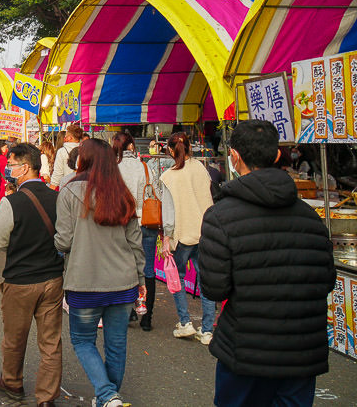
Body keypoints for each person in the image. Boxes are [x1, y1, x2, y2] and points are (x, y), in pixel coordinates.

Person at [199, 120, 336, 407]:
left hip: (245, 351)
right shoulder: (311, 218)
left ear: (234, 157)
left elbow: (214, 288)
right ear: (275, 156)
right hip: (302, 350)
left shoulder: (220, 217)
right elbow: (326, 281)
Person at [54, 139, 143, 407]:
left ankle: (107, 395)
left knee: (83, 341)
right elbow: (135, 243)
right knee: (116, 344)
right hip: (123, 282)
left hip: (84, 282)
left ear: (84, 160)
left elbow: (63, 241)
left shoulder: (69, 192)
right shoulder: (122, 194)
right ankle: (109, 396)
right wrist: (141, 279)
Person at [0, 143, 64, 406]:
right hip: (52, 279)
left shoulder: (11, 202)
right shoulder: (56, 197)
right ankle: (47, 397)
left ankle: (13, 382)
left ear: (25, 167)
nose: (9, 169)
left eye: (11, 165)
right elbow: (64, 237)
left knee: (15, 337)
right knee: (51, 342)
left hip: (20, 280)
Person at [157, 132, 216, 342]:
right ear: (190, 147)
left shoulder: (169, 176)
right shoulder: (201, 168)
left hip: (182, 235)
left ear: (170, 150)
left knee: (177, 278)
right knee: (206, 280)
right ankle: (207, 330)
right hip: (205, 232)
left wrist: (166, 238)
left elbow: (168, 213)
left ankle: (185, 322)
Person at [112, 132, 153, 328]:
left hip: (124, 222)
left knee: (126, 266)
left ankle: (129, 311)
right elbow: (154, 191)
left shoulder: (113, 168)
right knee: (148, 269)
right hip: (146, 220)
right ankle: (147, 317)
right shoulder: (144, 166)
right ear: (131, 146)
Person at [50, 124, 82, 190]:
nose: (64, 138)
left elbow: (58, 173)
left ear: (70, 138)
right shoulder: (85, 149)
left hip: (67, 187)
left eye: (66, 136)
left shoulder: (62, 151)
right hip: (83, 187)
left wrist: (52, 187)